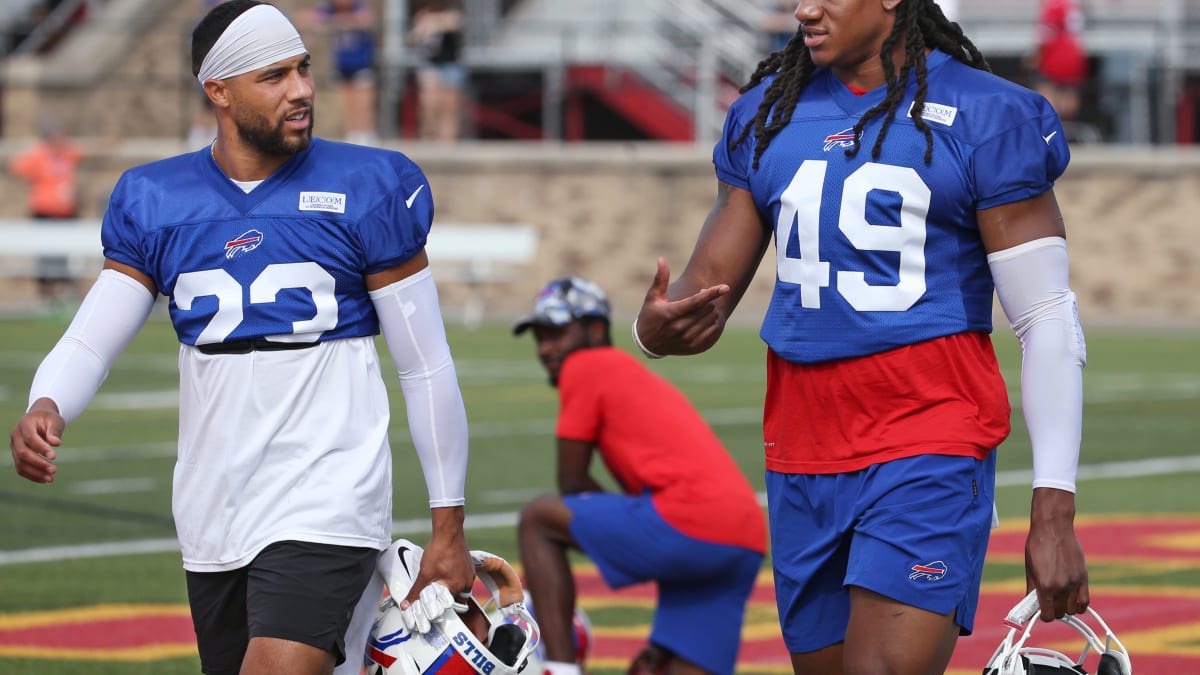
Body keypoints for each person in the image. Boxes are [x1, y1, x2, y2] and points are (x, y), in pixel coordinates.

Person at [7, 3, 475, 675]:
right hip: (214, 504)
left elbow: (425, 364)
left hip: (328, 493)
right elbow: (91, 337)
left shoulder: (368, 187)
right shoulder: (156, 199)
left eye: (304, 69)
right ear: (218, 91)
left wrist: (447, 526)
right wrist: (48, 401)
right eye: (275, 75)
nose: (303, 90)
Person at [631, 1, 1090, 674]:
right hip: (801, 448)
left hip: (928, 436)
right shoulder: (769, 111)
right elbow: (700, 297)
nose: (803, 8)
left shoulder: (988, 114)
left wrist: (1053, 507)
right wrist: (653, 330)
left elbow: (1046, 313)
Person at [514, 277, 767, 675]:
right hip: (744, 537)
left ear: (595, 329)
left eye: (556, 332)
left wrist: (622, 532)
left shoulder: (586, 365)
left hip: (691, 523)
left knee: (538, 520)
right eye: (539, 336)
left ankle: (559, 668)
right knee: (660, 667)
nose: (545, 348)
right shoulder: (626, 372)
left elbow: (573, 484)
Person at [8, 118, 84, 308]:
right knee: (45, 253)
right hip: (45, 210)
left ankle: (62, 291)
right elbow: (16, 167)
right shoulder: (39, 154)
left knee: (64, 252)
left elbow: (86, 153)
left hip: (66, 211)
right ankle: (46, 293)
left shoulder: (67, 152)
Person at [299, 0, 379, 146]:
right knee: (346, 101)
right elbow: (307, 19)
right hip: (342, 65)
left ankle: (366, 133)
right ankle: (352, 133)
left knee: (363, 102)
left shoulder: (360, 6)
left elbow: (365, 20)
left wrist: (335, 22)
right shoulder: (328, 9)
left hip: (361, 63)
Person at [409, 0, 466, 141]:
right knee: (429, 102)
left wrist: (433, 22)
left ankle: (448, 142)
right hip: (430, 63)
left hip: (450, 63)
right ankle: (429, 136)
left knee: (450, 107)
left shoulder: (454, 9)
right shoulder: (421, 14)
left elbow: (455, 22)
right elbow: (413, 38)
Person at [1032, 0, 1088, 125]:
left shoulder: (1054, 5)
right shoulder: (1073, 6)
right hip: (1074, 55)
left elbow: (1045, 35)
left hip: (1055, 55)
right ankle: (1065, 127)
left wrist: (1034, 57)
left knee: (1046, 91)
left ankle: (1053, 128)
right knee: (1069, 93)